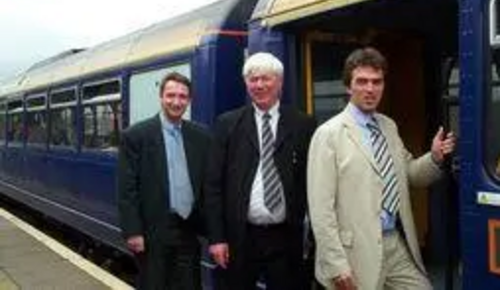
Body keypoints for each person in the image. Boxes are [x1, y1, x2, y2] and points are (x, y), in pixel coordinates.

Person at [307, 47, 456, 290]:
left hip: (394, 243)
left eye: (377, 82)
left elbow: (409, 174)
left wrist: (435, 157)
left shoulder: (388, 126)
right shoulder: (329, 135)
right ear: (348, 87)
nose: (370, 89)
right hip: (355, 251)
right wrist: (336, 266)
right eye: (362, 82)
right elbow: (321, 211)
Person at [204, 52, 316, 290]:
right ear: (246, 84)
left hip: (286, 238)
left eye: (266, 79)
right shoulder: (227, 124)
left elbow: (312, 183)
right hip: (240, 238)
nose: (259, 85)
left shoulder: (303, 124)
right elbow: (212, 185)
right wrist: (217, 238)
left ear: (280, 82)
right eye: (253, 79)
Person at [117, 72, 211, 290]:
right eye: (171, 95)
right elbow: (127, 189)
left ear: (189, 100)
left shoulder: (202, 137)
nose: (176, 102)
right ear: (161, 97)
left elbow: (208, 186)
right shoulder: (136, 136)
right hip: (152, 233)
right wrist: (133, 231)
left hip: (188, 229)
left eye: (182, 96)